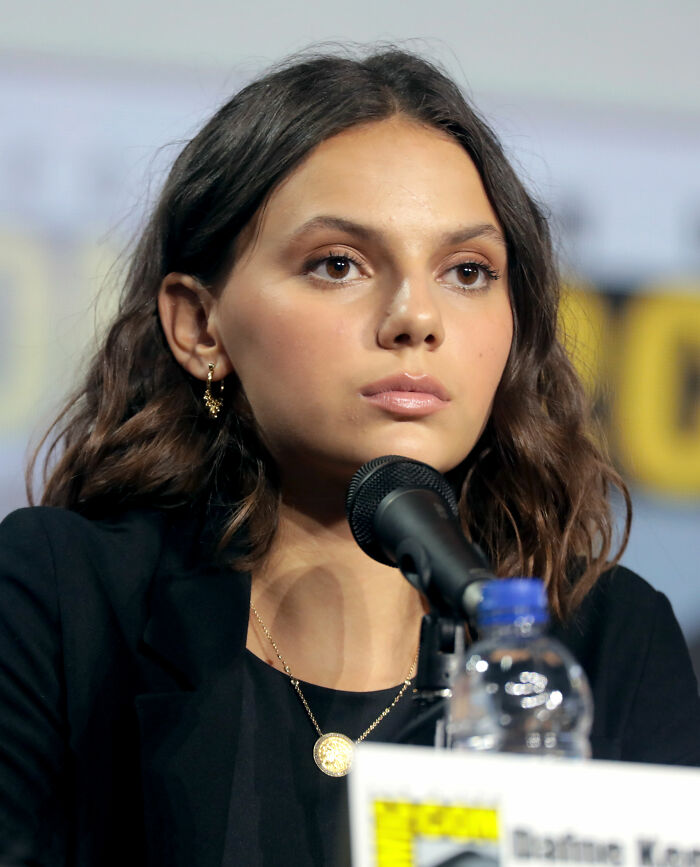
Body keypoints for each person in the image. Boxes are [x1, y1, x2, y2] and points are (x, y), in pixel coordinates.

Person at [0, 47, 698, 867]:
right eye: (339, 264)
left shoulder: (608, 640)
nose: (415, 317)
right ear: (199, 325)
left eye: (467, 271)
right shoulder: (63, 601)